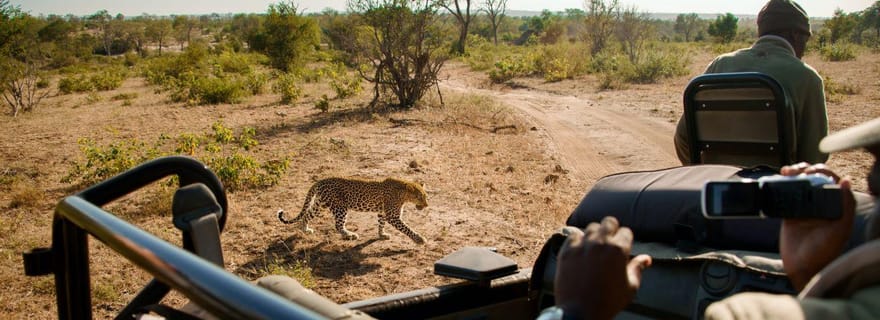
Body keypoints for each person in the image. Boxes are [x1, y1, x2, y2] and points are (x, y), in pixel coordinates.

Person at [547, 117, 880, 320]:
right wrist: (807, 274)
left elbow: (683, 139)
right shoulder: (808, 76)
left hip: (710, 174)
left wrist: (576, 312)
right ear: (799, 37)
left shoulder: (744, 316)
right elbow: (816, 149)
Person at [674, 0, 829, 166]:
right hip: (775, 181)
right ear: (795, 35)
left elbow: (683, 137)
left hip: (718, 178)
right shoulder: (807, 77)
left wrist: (706, 170)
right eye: (806, 39)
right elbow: (814, 156)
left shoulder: (720, 65)